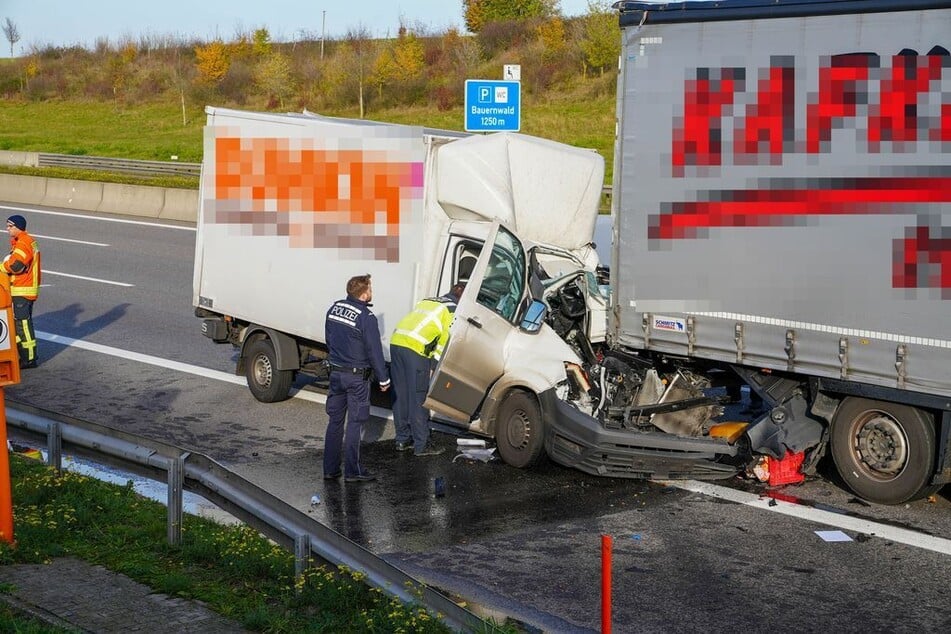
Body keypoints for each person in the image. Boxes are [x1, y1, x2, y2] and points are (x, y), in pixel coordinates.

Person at [323, 274, 390, 483]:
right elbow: (374, 350)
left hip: (335, 374)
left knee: (334, 421)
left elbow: (329, 339)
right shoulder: (366, 317)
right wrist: (383, 378)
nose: (372, 291)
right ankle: (352, 471)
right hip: (356, 378)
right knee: (355, 423)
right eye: (370, 288)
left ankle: (330, 469)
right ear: (364, 293)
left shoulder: (333, 309)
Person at [389, 283, 465, 457]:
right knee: (418, 397)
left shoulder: (429, 300)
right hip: (416, 349)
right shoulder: (452, 310)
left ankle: (402, 439)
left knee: (400, 394)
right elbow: (444, 341)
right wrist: (433, 366)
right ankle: (422, 445)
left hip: (397, 342)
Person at [3, 214, 41, 369]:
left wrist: (1, 268)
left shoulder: (24, 242)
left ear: (18, 227)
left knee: (23, 324)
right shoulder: (22, 241)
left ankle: (29, 358)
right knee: (19, 323)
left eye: (10, 226)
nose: (7, 229)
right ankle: (25, 355)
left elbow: (16, 266)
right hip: (23, 289)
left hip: (22, 289)